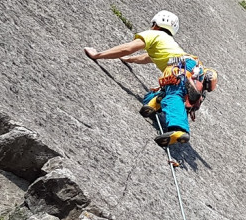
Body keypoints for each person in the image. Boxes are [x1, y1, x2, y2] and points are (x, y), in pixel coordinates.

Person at [84, 10, 200, 147]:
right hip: (192, 68)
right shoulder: (168, 43)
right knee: (154, 97)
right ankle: (157, 101)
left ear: (156, 24)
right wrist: (130, 60)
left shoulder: (153, 34)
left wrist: (97, 55)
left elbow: (128, 48)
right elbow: (147, 57)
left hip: (181, 68)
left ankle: (179, 130)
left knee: (174, 95)